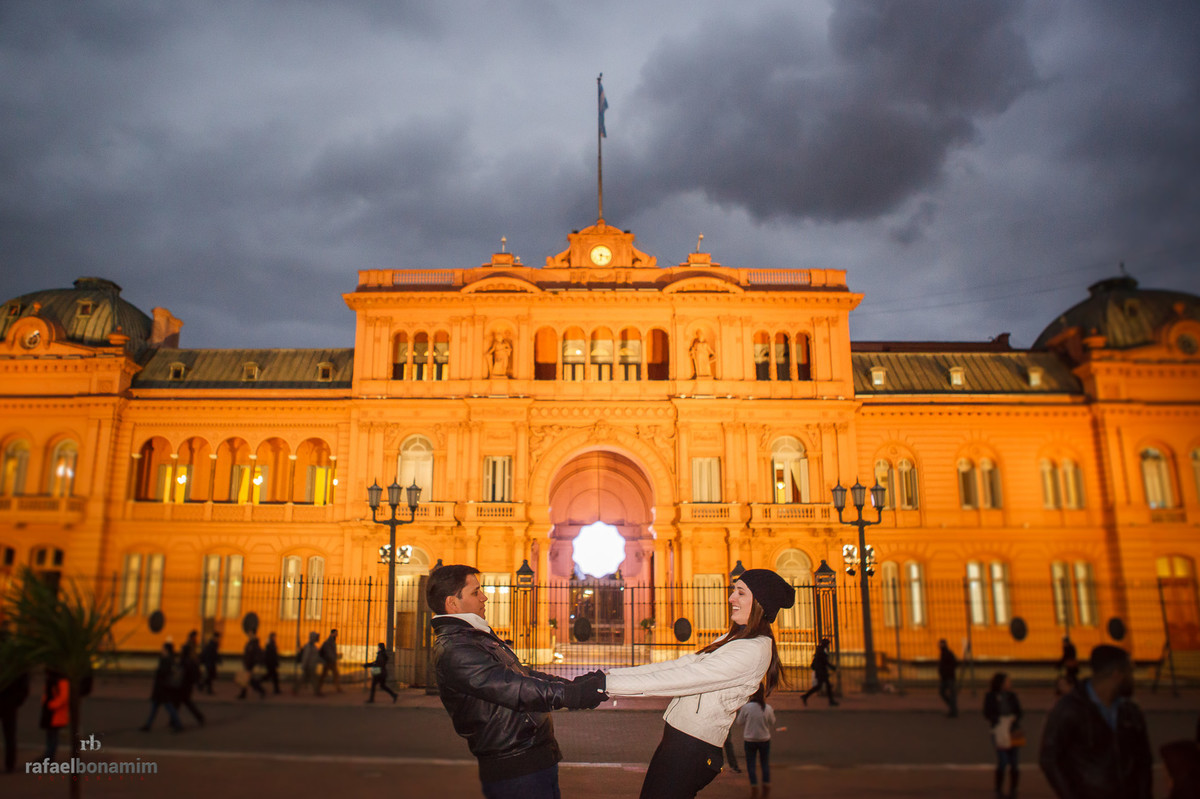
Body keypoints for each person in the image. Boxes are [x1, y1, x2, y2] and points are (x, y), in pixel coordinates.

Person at [602, 568, 796, 799]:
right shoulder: (735, 638)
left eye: (741, 593)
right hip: (680, 741)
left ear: (760, 603)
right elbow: (681, 666)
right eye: (734, 591)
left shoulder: (752, 650)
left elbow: (682, 679)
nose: (731, 598)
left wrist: (605, 686)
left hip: (692, 748)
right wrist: (606, 677)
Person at [427, 564, 606, 799]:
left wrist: (571, 685)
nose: (484, 597)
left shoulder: (471, 637)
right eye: (475, 592)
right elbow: (513, 688)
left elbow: (520, 673)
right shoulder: (456, 648)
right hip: (515, 767)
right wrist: (573, 696)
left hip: (531, 758)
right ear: (453, 603)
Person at [1039, 644, 1153, 799]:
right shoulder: (1069, 709)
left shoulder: (1130, 712)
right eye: (1130, 672)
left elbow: (1144, 761)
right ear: (1117, 674)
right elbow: (1049, 759)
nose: (1133, 678)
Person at [983, 671, 1023, 798]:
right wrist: (997, 720)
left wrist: (1014, 719)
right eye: (1007, 681)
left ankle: (1013, 788)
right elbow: (987, 712)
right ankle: (999, 788)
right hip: (999, 729)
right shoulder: (990, 696)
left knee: (1014, 761)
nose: (1009, 684)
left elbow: (1020, 711)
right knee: (1003, 760)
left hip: (1012, 729)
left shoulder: (1012, 696)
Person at [735, 685, 776, 798]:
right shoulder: (767, 708)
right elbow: (772, 721)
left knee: (751, 764)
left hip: (750, 740)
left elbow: (739, 722)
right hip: (764, 739)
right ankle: (766, 787)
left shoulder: (747, 708)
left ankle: (754, 787)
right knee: (764, 764)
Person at [0, 630, 30, 773]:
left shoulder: (13, 659)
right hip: (10, 701)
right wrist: (19, 699)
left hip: (9, 700)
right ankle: (10, 764)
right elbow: (24, 680)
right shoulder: (15, 658)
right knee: (10, 735)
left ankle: (10, 764)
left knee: (10, 735)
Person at [140, 643, 183, 732]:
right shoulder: (170, 660)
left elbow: (163, 674)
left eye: (163, 649)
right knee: (156, 708)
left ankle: (178, 724)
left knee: (168, 708)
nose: (161, 650)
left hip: (162, 689)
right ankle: (148, 725)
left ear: (166, 650)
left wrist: (158, 671)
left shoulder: (166, 660)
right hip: (162, 688)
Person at [176, 630, 206, 726]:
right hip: (186, 685)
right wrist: (198, 683)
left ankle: (174, 720)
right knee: (183, 702)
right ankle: (199, 717)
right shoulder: (189, 654)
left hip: (182, 685)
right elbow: (194, 673)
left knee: (182, 702)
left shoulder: (183, 661)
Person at [38, 669, 70, 760]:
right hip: (50, 711)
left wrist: (52, 704)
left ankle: (49, 755)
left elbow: (64, 697)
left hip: (55, 712)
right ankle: (49, 754)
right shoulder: (54, 681)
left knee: (52, 735)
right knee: (51, 734)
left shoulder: (61, 682)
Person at [800, 638, 837, 707]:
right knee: (822, 686)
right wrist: (832, 667)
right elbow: (824, 662)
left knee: (822, 686)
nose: (828, 645)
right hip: (821, 672)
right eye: (827, 644)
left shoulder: (821, 650)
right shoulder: (821, 651)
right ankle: (806, 696)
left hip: (821, 671)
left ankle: (806, 696)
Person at [237, 632, 267, 699]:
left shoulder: (254, 645)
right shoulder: (250, 643)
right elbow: (247, 654)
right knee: (247, 680)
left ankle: (261, 691)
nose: (249, 635)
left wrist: (257, 664)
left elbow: (257, 655)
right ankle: (244, 694)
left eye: (251, 634)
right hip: (247, 664)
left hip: (250, 664)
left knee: (249, 680)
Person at [316, 628, 342, 695]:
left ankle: (338, 688)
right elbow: (329, 652)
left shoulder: (332, 641)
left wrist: (336, 656)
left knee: (335, 675)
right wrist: (333, 657)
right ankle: (318, 689)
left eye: (337, 633)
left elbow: (332, 651)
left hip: (331, 661)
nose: (337, 635)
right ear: (332, 633)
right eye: (335, 633)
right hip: (328, 661)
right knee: (324, 676)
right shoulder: (328, 642)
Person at [938, 639, 959, 718]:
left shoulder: (948, 653)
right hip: (946, 677)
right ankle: (953, 708)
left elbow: (955, 663)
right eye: (940, 644)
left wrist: (948, 671)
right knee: (944, 693)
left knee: (949, 694)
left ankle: (953, 710)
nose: (940, 646)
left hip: (949, 677)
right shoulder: (943, 653)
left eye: (941, 644)